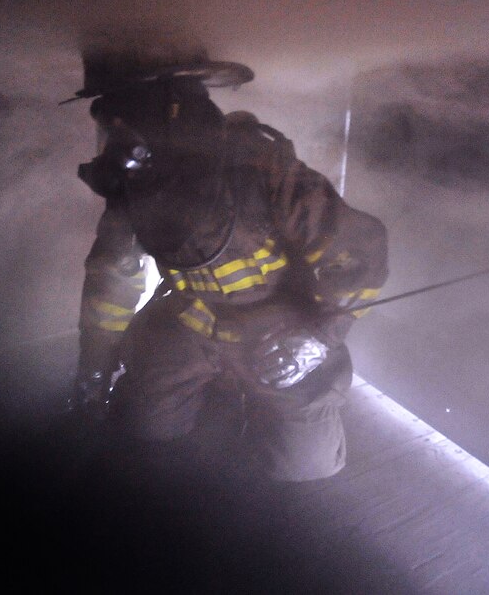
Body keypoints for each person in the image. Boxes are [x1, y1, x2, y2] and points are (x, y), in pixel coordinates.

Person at [66, 31, 388, 481]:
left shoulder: (259, 167)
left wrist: (316, 339)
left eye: (126, 115)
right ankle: (213, 382)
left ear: (170, 110)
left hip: (279, 333)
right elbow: (111, 281)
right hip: (191, 322)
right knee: (146, 428)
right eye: (108, 118)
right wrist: (94, 364)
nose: (113, 134)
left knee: (304, 465)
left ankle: (258, 398)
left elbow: (358, 256)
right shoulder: (133, 187)